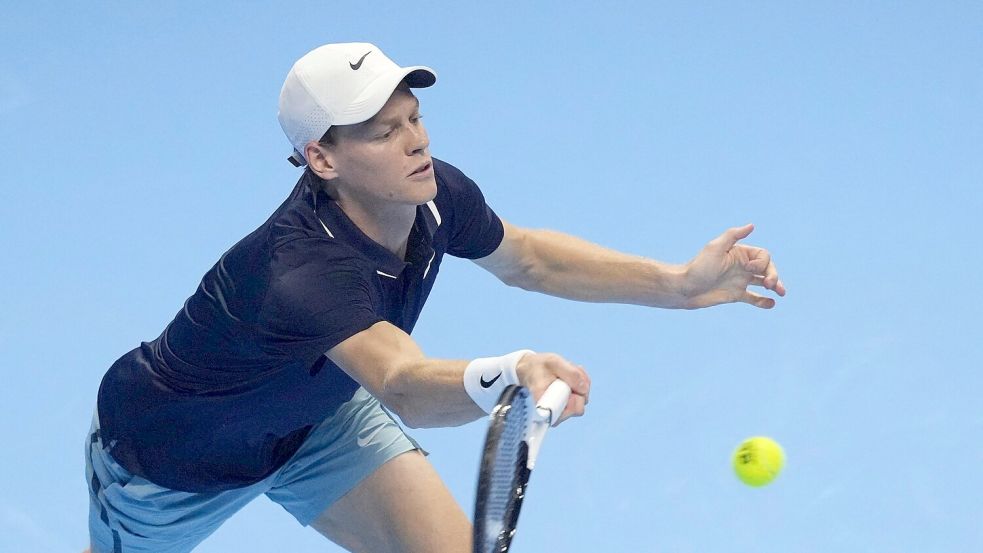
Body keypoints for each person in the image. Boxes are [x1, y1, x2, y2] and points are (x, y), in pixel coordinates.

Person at [84, 42, 785, 553]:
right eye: (385, 132)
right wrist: (510, 372)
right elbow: (403, 384)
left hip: (319, 415)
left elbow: (530, 258)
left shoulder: (432, 193)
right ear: (321, 159)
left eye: (414, 118)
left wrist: (676, 284)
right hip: (174, 458)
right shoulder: (297, 271)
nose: (415, 141)